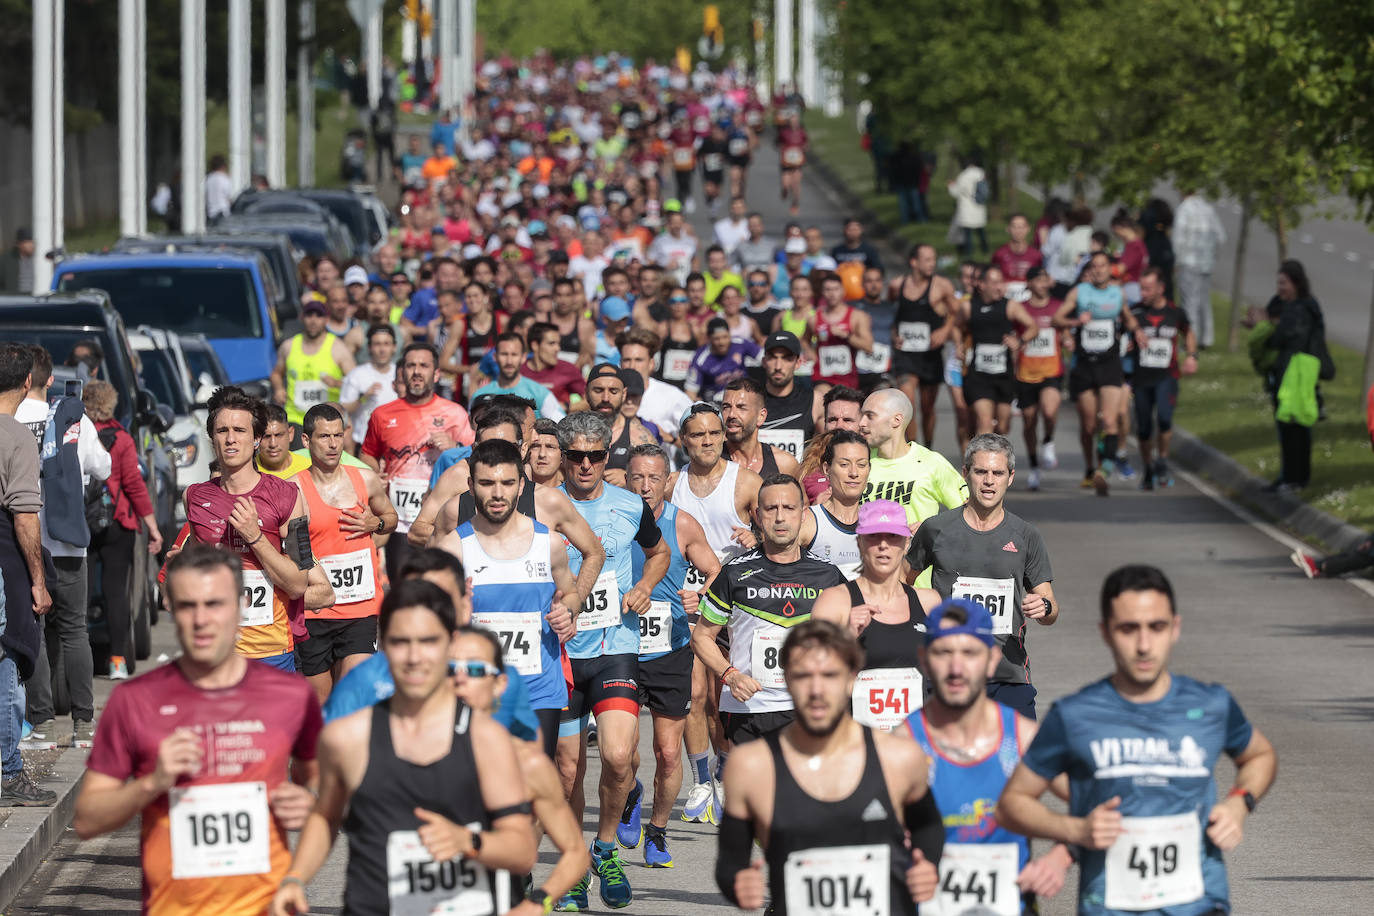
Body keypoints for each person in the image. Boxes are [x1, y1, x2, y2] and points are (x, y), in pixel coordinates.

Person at [998, 565, 1278, 916]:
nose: (1144, 645)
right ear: (1106, 633)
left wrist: (1239, 802)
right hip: (1111, 906)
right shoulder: (1074, 715)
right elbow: (1012, 803)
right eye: (1129, 629)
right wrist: (1076, 830)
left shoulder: (1210, 705)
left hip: (1199, 902)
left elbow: (1260, 755)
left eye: (1156, 627)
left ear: (1175, 628)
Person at [75, 545, 323, 914]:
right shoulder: (135, 700)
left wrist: (307, 818)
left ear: (241, 605)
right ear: (170, 607)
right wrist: (152, 783)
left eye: (215, 604)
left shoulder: (291, 696)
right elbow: (86, 819)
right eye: (188, 605)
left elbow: (320, 789)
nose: (201, 620)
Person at [268, 581, 537, 916]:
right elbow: (326, 817)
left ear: (451, 643)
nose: (413, 657)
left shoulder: (487, 739)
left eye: (427, 642)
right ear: (382, 644)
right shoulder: (348, 738)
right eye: (399, 642)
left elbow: (522, 849)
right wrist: (295, 877)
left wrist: (467, 842)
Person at [715, 619, 943, 914]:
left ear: (851, 678)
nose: (817, 690)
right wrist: (738, 883)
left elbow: (929, 830)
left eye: (829, 675)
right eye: (803, 676)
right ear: (787, 678)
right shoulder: (753, 766)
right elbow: (731, 862)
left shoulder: (898, 758)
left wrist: (928, 867)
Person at [554, 411, 669, 911]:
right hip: (558, 656)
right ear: (562, 457)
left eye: (594, 457)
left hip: (613, 647)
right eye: (575, 456)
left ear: (606, 459)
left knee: (620, 756)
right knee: (567, 773)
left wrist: (643, 585)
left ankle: (605, 849)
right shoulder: (541, 507)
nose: (584, 465)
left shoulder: (628, 504)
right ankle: (577, 863)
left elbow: (659, 552)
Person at [906, 598, 1074, 915]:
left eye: (970, 653)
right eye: (943, 653)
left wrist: (1061, 857)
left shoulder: (1024, 738)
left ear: (992, 658)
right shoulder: (902, 745)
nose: (956, 669)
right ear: (924, 659)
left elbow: (1096, 800)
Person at [432, 439, 579, 759]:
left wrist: (568, 614)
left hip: (538, 692)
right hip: (475, 692)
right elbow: (429, 625)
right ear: (471, 486)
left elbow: (570, 594)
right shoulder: (453, 549)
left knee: (533, 791)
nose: (497, 493)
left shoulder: (549, 544)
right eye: (486, 483)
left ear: (521, 485)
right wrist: (454, 612)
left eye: (507, 483)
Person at [616, 444, 723, 866]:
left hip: (670, 648)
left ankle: (657, 831)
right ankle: (629, 793)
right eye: (637, 477)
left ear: (667, 481)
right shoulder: (615, 517)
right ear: (626, 479)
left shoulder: (682, 523)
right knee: (620, 751)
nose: (644, 487)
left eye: (653, 478)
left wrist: (702, 598)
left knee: (668, 752)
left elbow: (718, 573)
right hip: (620, 645)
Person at [906, 434, 1057, 720]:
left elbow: (1050, 607)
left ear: (1010, 477)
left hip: (1008, 675)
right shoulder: (936, 529)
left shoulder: (1026, 535)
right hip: (947, 673)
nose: (989, 481)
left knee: (1019, 761)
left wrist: (1044, 607)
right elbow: (902, 582)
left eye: (998, 473)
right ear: (965, 474)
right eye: (981, 472)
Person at [447, 625, 594, 916]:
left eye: (475, 670)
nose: (460, 679)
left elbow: (576, 854)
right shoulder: (408, 748)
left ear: (499, 683)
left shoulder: (530, 764)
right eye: (451, 669)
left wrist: (541, 903)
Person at [692, 473, 848, 746]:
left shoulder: (828, 576)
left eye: (788, 508)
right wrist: (729, 675)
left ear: (802, 514)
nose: (779, 518)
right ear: (757, 515)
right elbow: (702, 636)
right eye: (770, 508)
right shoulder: (734, 574)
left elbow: (852, 638)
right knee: (758, 787)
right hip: (751, 708)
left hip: (811, 705)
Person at [184, 387, 329, 671]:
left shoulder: (289, 496)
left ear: (256, 439)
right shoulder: (194, 496)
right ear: (212, 438)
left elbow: (299, 585)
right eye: (222, 430)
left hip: (270, 651)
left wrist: (256, 538)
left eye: (239, 430)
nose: (230, 439)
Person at [16, 346, 110, 746]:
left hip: (25, 542)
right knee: (75, 631)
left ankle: (40, 726)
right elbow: (101, 467)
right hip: (69, 542)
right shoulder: (73, 417)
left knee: (31, 632)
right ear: (50, 380)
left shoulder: (10, 418)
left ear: (21, 380)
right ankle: (84, 725)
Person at [293, 404, 397, 703]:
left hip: (360, 608)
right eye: (324, 436)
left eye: (338, 435)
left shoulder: (365, 479)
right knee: (320, 701)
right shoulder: (294, 490)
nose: (333, 444)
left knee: (354, 691)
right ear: (305, 440)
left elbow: (391, 518)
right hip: (314, 611)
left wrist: (374, 523)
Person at [361, 342, 475, 581]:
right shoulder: (382, 415)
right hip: (400, 519)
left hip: (440, 519)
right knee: (403, 587)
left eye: (424, 366)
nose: (416, 371)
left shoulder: (455, 414)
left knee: (442, 587)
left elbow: (476, 456)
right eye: (411, 365)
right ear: (402, 372)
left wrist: (454, 447)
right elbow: (367, 454)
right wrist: (374, 473)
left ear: (436, 373)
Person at [0, 342, 56, 804]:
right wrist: (38, 580)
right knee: (6, 660)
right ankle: (7, 769)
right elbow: (24, 516)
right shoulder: (15, 436)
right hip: (3, 563)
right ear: (25, 383)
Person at [84, 380, 163, 679]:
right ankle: (117, 660)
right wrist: (153, 527)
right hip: (119, 522)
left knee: (82, 594)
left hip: (84, 523)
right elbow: (135, 486)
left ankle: (77, 661)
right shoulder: (123, 440)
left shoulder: (76, 435)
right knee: (117, 593)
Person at [1055, 251, 1145, 496]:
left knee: (1109, 420)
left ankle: (1104, 470)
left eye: (1103, 266)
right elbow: (1057, 318)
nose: (1098, 270)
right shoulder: (1079, 292)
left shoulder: (1118, 293)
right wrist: (1076, 323)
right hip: (1084, 364)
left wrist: (1136, 333)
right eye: (1094, 266)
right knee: (1089, 425)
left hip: (1110, 363)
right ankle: (1089, 467)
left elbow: (1128, 318)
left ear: (1110, 269)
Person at [858, 388, 967, 571]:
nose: (861, 423)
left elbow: (970, 515)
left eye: (870, 416)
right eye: (862, 416)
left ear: (896, 420)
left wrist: (932, 530)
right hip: (867, 581)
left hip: (921, 586)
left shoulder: (932, 463)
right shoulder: (858, 465)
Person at [1260, 259, 1328, 493]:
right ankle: (1286, 475)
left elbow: (1283, 336)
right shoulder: (1280, 304)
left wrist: (1271, 328)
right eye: (1278, 283)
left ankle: (1298, 478)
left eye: (1284, 283)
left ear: (1296, 283)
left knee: (1298, 427)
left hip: (1299, 376)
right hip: (1281, 375)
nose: (1280, 288)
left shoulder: (1304, 307)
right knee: (1284, 427)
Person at [1131, 267, 1198, 490]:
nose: (1143, 293)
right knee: (1143, 428)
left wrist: (1191, 356)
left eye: (1148, 288)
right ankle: (1148, 467)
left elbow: (1188, 332)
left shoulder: (1175, 313)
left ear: (1161, 288)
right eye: (1141, 288)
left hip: (1166, 377)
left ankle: (1162, 460)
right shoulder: (1135, 314)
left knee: (1165, 419)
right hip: (1141, 379)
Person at [891, 244, 959, 446]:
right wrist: (894, 334)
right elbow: (889, 314)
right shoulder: (897, 285)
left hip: (930, 355)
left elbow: (958, 312)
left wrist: (945, 330)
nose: (932, 264)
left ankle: (928, 446)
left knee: (928, 408)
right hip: (905, 355)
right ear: (914, 262)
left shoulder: (942, 286)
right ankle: (913, 447)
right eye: (927, 259)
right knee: (908, 403)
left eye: (934, 259)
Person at [961, 265, 1037, 436]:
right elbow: (955, 327)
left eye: (1001, 282)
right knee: (985, 423)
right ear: (981, 284)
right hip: (978, 375)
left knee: (1002, 428)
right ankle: (980, 463)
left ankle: (996, 460)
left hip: (1003, 375)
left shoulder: (1010, 306)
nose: (999, 287)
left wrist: (1019, 341)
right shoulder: (968, 307)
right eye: (994, 283)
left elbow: (1033, 327)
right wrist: (959, 344)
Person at [270, 300, 357, 433]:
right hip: (295, 417)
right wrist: (278, 388)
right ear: (302, 318)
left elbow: (356, 383)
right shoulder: (288, 346)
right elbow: (276, 373)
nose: (313, 320)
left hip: (327, 421)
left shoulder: (338, 348)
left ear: (326, 320)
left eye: (319, 316)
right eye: (309, 315)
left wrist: (336, 383)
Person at [1015, 267, 1065, 491]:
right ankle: (1034, 465)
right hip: (1025, 373)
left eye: (1046, 280)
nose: (1043, 284)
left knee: (1049, 410)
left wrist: (1068, 340)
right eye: (1038, 280)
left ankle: (1048, 440)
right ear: (1029, 284)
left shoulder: (1058, 307)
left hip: (1052, 370)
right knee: (1028, 419)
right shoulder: (1020, 309)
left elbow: (1065, 331)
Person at [799, 430, 870, 578]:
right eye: (844, 464)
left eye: (862, 465)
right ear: (827, 469)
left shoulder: (878, 523)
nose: (854, 473)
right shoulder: (807, 522)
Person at [584, 364, 657, 488]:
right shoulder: (571, 431)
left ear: (623, 394)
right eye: (598, 390)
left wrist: (629, 478)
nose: (606, 398)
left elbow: (658, 483)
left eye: (613, 391)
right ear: (586, 393)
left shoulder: (639, 436)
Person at [1172, 191, 1227, 350]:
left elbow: (1178, 239)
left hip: (1188, 263)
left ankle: (1191, 340)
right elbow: (1221, 236)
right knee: (1204, 301)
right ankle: (1207, 338)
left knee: (1189, 302)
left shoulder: (1184, 209)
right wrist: (1212, 254)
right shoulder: (1207, 208)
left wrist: (1177, 261)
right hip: (1206, 263)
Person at [618, 328, 693, 442]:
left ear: (651, 363)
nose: (632, 366)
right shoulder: (610, 395)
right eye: (627, 360)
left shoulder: (672, 396)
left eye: (639, 360)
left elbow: (697, 439)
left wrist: (667, 437)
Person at [470, 332, 565, 421]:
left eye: (514, 355)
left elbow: (561, 425)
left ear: (523, 357)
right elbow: (470, 430)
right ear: (495, 357)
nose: (509, 361)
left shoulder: (540, 393)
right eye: (504, 354)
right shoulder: (480, 396)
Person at [757, 330, 819, 463]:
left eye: (787, 358)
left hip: (798, 480)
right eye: (772, 357)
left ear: (798, 363)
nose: (778, 366)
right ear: (764, 361)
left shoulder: (815, 400)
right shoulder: (750, 400)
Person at [721, 376, 801, 480]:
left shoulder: (785, 465)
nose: (731, 414)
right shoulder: (710, 461)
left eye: (741, 408)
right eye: (726, 407)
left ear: (761, 416)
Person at [340, 325, 400, 454]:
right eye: (377, 344)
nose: (382, 349)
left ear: (394, 347)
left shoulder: (401, 374)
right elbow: (343, 409)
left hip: (395, 444)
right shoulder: (356, 374)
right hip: (363, 444)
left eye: (386, 344)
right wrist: (363, 398)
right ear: (369, 348)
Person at [799, 385, 865, 501]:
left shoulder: (875, 460)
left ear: (862, 424)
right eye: (832, 420)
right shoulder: (807, 467)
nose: (839, 426)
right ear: (824, 423)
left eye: (847, 420)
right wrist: (815, 509)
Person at [812, 272, 875, 394]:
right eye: (827, 289)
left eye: (835, 289)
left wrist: (846, 335)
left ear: (843, 291)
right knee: (820, 397)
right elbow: (804, 339)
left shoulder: (857, 316)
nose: (831, 294)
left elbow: (868, 346)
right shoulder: (814, 317)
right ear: (822, 292)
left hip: (848, 378)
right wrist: (809, 352)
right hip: (822, 376)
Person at [686, 317, 760, 403]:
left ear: (730, 334)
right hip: (715, 402)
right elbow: (690, 393)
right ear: (709, 338)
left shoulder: (740, 343)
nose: (722, 342)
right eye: (717, 339)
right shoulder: (700, 359)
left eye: (725, 337)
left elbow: (765, 357)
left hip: (744, 396)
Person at [523, 321, 586, 408]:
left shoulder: (568, 369)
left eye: (558, 344)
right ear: (535, 345)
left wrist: (565, 407)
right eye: (552, 343)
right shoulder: (519, 372)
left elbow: (589, 400)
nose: (557, 348)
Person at [992, 213, 1045, 302]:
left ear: (1028, 229)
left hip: (1029, 300)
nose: (1018, 231)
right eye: (1014, 227)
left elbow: (1041, 278)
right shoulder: (999, 254)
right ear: (1008, 229)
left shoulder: (1036, 255)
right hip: (1005, 299)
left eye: (1021, 227)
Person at [255, 404, 313, 479]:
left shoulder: (308, 468)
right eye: (266, 436)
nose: (273, 444)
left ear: (290, 434)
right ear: (256, 438)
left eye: (279, 435)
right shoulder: (247, 471)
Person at [948, 154, 989, 257]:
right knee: (981, 232)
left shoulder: (963, 176)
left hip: (967, 208)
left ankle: (968, 253)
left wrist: (951, 186)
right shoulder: (981, 172)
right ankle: (985, 250)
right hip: (979, 207)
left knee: (968, 234)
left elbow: (956, 192)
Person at [777, 111, 808, 216]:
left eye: (796, 120)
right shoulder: (784, 132)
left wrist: (802, 150)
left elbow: (806, 143)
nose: (794, 122)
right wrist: (783, 150)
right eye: (792, 120)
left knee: (796, 183)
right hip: (786, 161)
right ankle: (785, 190)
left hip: (798, 161)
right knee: (786, 183)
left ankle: (795, 204)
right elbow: (778, 143)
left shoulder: (802, 132)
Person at [0, 227, 35, 293]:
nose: (31, 245)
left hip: (36, 300)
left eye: (32, 242)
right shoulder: (7, 261)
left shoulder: (39, 261)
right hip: (15, 300)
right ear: (19, 244)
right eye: (27, 242)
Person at [204, 153, 233, 222]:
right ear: (223, 166)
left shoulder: (208, 178)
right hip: (223, 214)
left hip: (210, 214)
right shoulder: (225, 179)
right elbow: (229, 198)